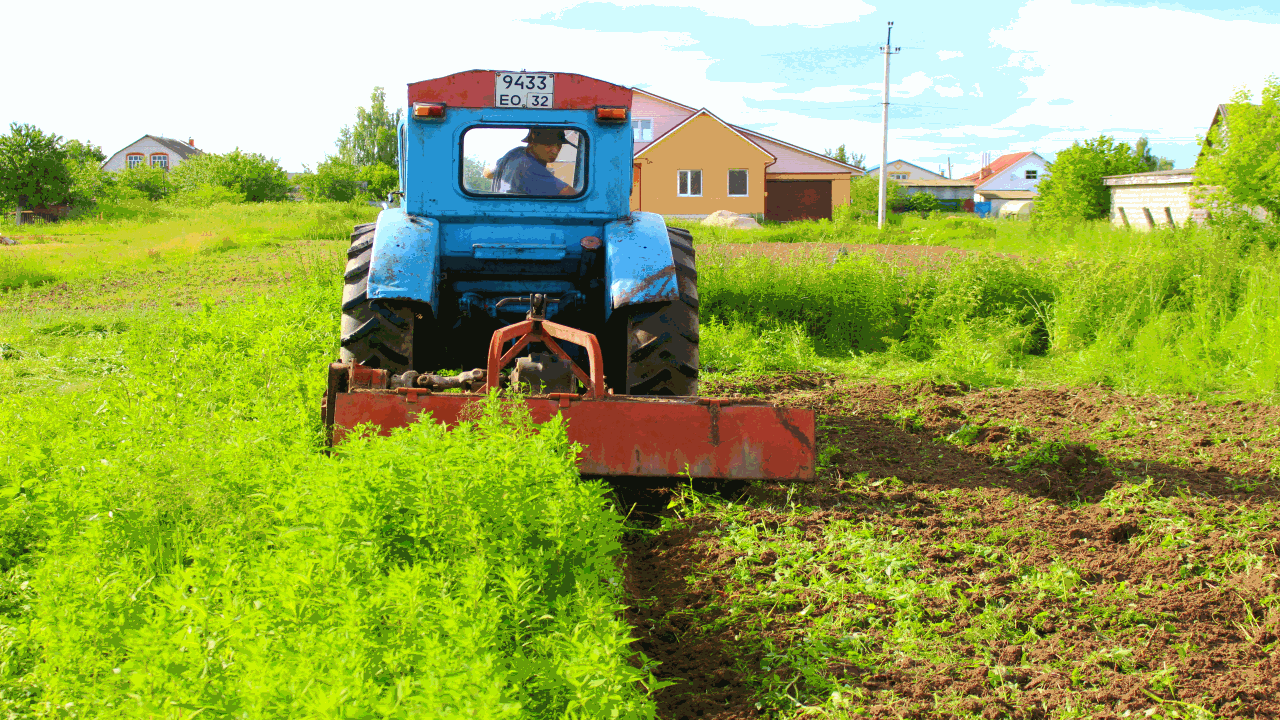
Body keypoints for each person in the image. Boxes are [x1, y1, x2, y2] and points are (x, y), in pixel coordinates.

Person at [484, 128, 577, 196]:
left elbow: (487, 172)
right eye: (549, 144)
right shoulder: (529, 167)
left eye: (559, 145)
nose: (555, 150)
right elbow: (571, 195)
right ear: (532, 141)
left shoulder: (516, 153)